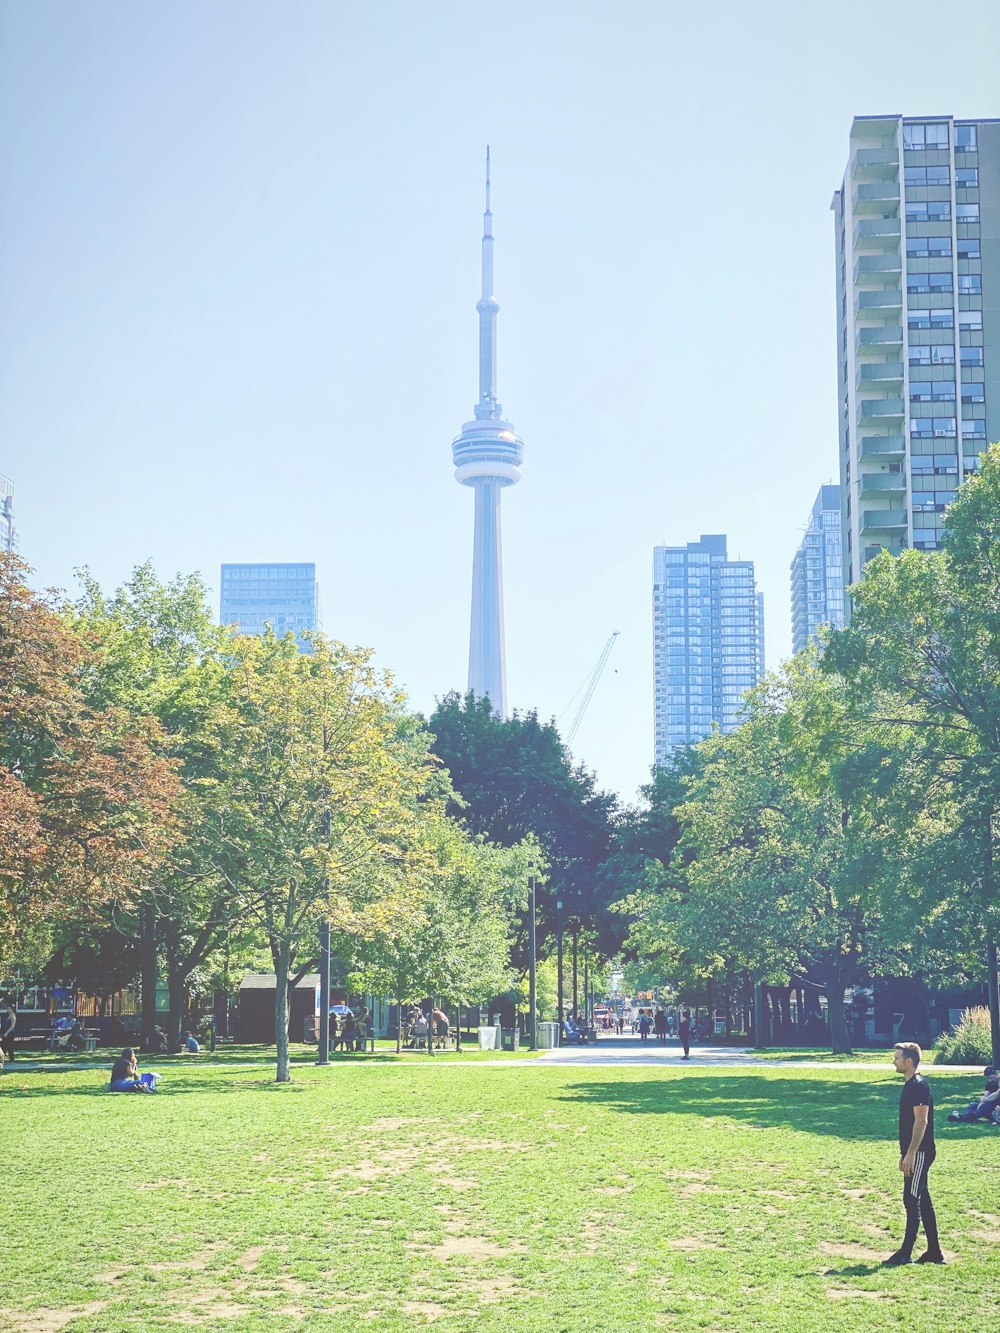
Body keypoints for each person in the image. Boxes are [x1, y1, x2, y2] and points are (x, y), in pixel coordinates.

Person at [883, 1041, 944, 1266]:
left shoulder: (919, 1086)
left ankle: (905, 1252)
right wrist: (905, 1153)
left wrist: (910, 1154)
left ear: (909, 1062)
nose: (894, 1061)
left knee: (911, 1197)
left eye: (897, 1058)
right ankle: (935, 1252)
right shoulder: (910, 1085)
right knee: (922, 1198)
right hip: (913, 1152)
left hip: (920, 1152)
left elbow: (921, 1121)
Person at [0, 998, 16, 1067]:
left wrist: (7, 1032)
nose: (7, 1009)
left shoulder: (13, 1016)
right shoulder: (8, 1016)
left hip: (10, 1034)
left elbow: (12, 1026)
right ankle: (1, 1059)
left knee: (10, 1047)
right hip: (6, 1034)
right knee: (3, 1046)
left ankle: (12, 1059)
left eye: (9, 1008)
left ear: (12, 1009)